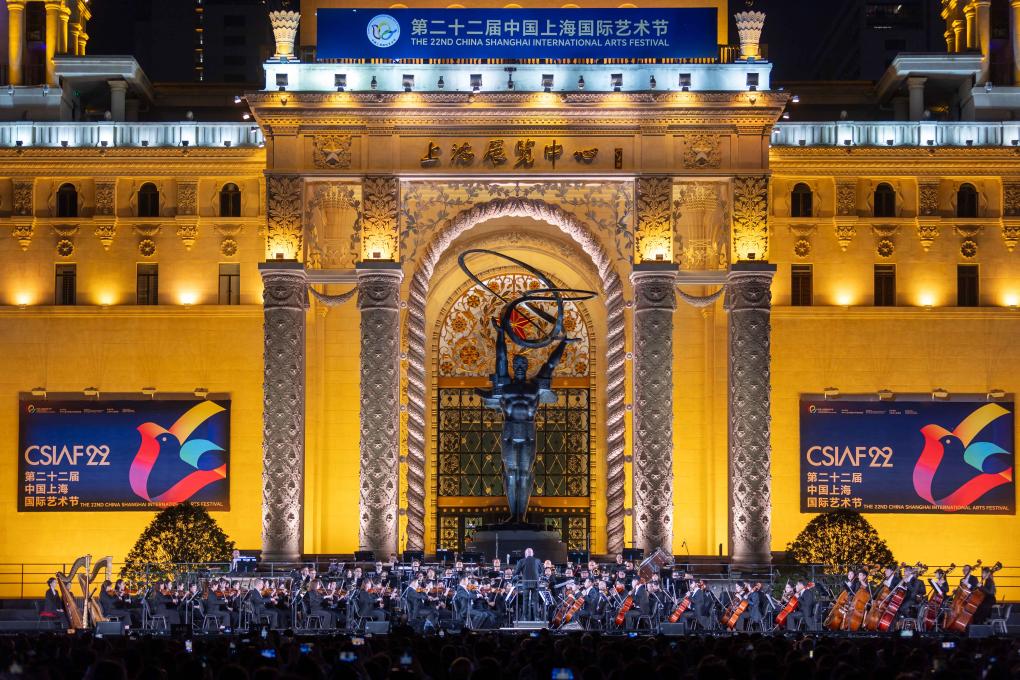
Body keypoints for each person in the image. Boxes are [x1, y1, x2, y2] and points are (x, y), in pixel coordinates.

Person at [513, 547, 543, 621]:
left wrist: (520, 576)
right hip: (535, 583)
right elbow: (541, 571)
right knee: (535, 601)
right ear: (532, 554)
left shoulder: (521, 561)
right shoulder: (537, 560)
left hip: (525, 583)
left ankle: (525, 617)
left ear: (525, 554)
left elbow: (516, 572)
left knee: (525, 601)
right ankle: (536, 618)